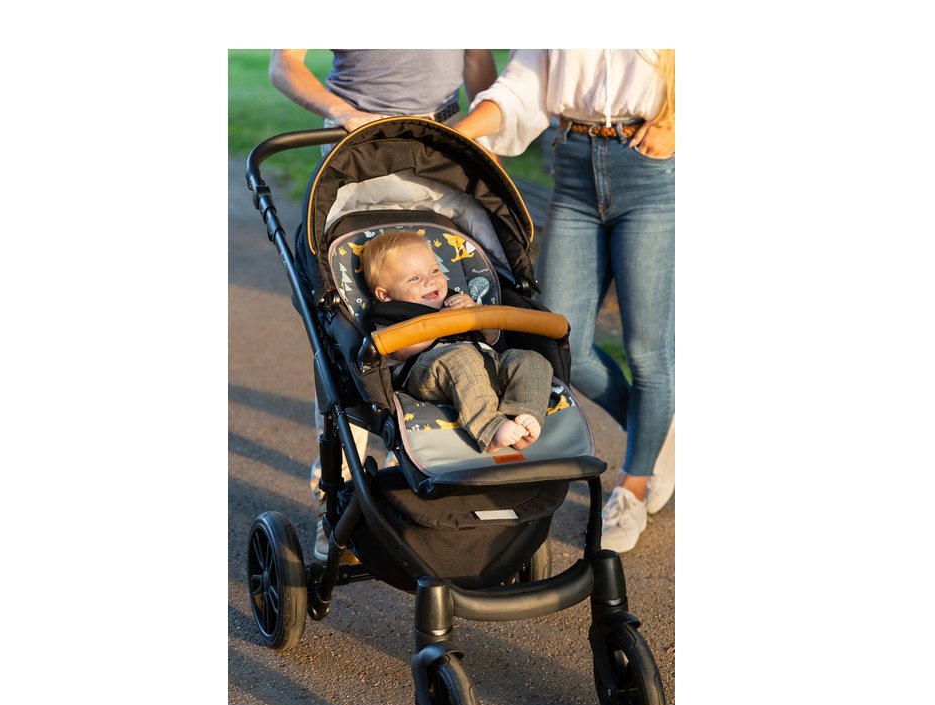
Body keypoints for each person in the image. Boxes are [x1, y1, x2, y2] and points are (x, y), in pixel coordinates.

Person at [269, 49, 498, 559]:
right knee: (345, 342)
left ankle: (435, 485)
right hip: (355, 145)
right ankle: (339, 494)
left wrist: (481, 143)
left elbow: (476, 57)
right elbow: (284, 63)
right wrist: (343, 111)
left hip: (440, 148)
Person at [455, 49, 676, 553]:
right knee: (558, 338)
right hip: (573, 170)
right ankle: (657, 427)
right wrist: (459, 133)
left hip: (651, 169)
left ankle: (634, 486)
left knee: (647, 353)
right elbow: (521, 87)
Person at [363, 230, 552, 453]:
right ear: (385, 295)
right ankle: (490, 429)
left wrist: (475, 314)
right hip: (431, 372)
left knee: (530, 359)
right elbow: (398, 350)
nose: (430, 280)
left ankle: (524, 415)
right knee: (462, 358)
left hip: (486, 361)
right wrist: (441, 323)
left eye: (434, 270)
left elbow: (492, 337)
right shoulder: (391, 313)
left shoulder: (455, 299)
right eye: (414, 278)